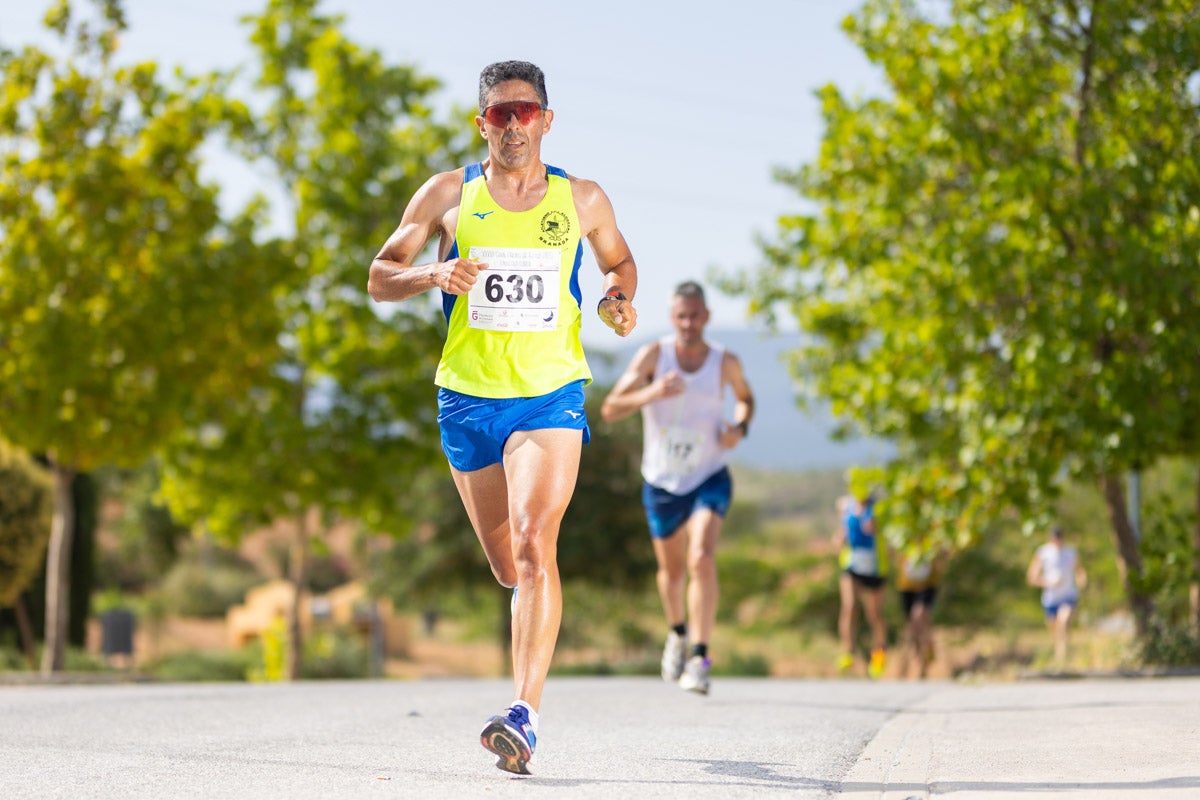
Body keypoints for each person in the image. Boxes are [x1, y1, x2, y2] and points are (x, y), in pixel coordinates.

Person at [367, 60, 638, 775]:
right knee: (507, 564)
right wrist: (431, 272)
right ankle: (527, 645)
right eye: (500, 114)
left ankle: (524, 713)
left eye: (526, 112)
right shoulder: (448, 196)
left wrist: (616, 297)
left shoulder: (580, 198)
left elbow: (619, 262)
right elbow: (378, 276)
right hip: (466, 398)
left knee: (533, 542)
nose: (513, 125)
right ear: (481, 123)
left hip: (550, 396)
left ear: (546, 120)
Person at [599, 281, 754, 695]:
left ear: (706, 317)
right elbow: (611, 408)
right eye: (681, 316)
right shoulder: (654, 355)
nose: (689, 323)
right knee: (671, 571)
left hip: (709, 474)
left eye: (695, 315)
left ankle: (701, 658)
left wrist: (738, 428)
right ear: (673, 319)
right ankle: (678, 633)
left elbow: (745, 399)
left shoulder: (724, 361)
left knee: (701, 555)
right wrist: (654, 390)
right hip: (663, 479)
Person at [835, 489, 889, 678]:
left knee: (874, 614)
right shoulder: (846, 506)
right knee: (849, 606)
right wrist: (839, 539)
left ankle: (879, 653)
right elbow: (842, 532)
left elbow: (883, 532)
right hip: (852, 564)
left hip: (874, 567)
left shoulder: (878, 509)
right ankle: (847, 650)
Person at [1026, 526, 1087, 670]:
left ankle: (1062, 660)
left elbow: (1079, 570)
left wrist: (1083, 581)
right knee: (1055, 630)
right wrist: (1048, 583)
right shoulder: (1043, 553)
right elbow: (1031, 577)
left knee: (1063, 622)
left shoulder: (1071, 552)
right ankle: (1060, 655)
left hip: (1068, 595)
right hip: (1050, 598)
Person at [894, 536, 946, 679]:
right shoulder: (900, 528)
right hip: (906, 585)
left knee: (919, 615)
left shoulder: (933, 529)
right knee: (913, 626)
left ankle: (925, 661)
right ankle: (919, 659)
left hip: (927, 584)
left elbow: (943, 553)